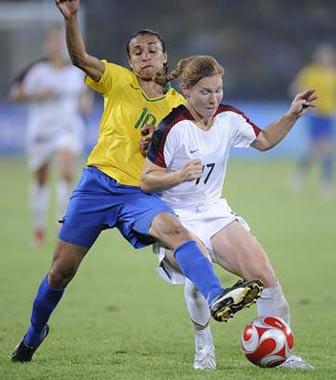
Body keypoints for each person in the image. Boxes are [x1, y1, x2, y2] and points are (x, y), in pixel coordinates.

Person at [10, 1, 263, 363]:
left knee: (175, 231)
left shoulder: (179, 107)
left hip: (139, 193)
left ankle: (216, 294)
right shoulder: (116, 79)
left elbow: (197, 137)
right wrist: (71, 18)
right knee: (61, 271)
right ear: (130, 61)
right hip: (97, 185)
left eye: (152, 50)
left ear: (164, 58)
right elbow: (80, 57)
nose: (145, 56)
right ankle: (35, 332)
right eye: (137, 51)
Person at [140, 55, 316, 370]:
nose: (214, 98)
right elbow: (146, 181)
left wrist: (292, 115)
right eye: (205, 92)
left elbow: (263, 141)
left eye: (218, 90)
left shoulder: (229, 118)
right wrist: (178, 176)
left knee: (265, 278)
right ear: (186, 90)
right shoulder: (172, 127)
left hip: (215, 213)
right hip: (177, 216)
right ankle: (203, 348)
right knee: (199, 267)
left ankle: (279, 354)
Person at [9, 24, 93, 246]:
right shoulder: (37, 70)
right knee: (40, 179)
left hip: (68, 129)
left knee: (66, 172)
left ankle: (62, 224)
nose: (57, 45)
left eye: (61, 41)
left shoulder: (76, 72)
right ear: (47, 44)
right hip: (41, 132)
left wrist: (85, 104)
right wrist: (37, 94)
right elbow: (15, 95)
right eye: (53, 41)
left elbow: (85, 95)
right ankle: (38, 224)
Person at [289, 44, 336, 198]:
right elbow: (295, 88)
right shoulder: (310, 72)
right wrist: (305, 103)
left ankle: (299, 176)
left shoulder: (332, 74)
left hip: (328, 116)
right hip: (315, 115)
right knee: (322, 149)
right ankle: (325, 182)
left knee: (317, 150)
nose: (325, 59)